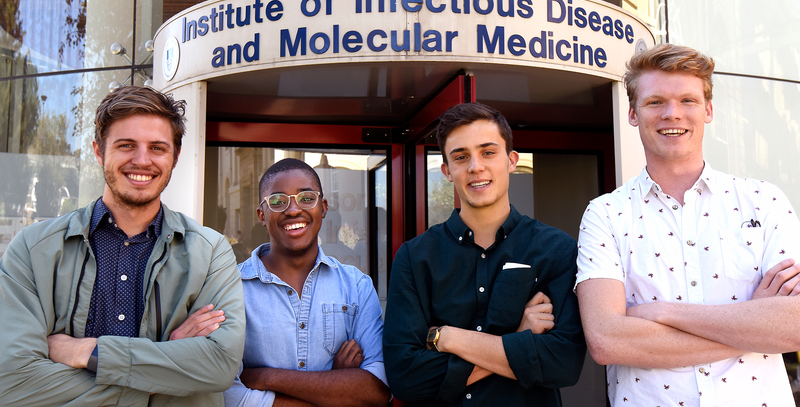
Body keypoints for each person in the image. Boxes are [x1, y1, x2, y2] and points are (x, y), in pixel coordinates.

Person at [576, 44, 800, 406]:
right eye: (655, 102)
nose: (672, 114)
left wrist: (662, 313)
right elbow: (607, 340)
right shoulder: (605, 214)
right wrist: (754, 323)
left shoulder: (765, 200)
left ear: (708, 110)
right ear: (633, 113)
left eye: (688, 101)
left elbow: (795, 326)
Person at [0, 85, 245, 406]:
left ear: (176, 156)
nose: (142, 160)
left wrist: (86, 352)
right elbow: (13, 381)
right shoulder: (33, 249)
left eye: (157, 148)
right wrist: (165, 370)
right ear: (99, 151)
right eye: (126, 145)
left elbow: (219, 365)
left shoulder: (211, 252)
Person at [383, 102, 586, 406]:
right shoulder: (415, 257)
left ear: (511, 161)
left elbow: (563, 363)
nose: (475, 166)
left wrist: (448, 338)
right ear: (447, 171)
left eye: (488, 152)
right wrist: (518, 338)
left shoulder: (556, 248)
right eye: (461, 157)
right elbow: (406, 379)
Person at [224, 158, 391, 407]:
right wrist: (336, 386)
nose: (293, 210)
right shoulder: (231, 289)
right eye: (278, 201)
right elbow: (228, 393)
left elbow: (377, 388)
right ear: (262, 214)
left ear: (322, 207)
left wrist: (263, 376)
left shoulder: (356, 286)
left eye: (306, 198)